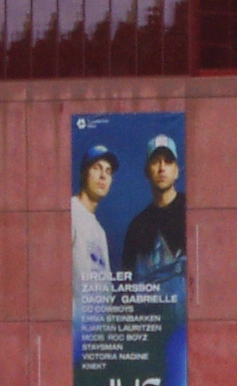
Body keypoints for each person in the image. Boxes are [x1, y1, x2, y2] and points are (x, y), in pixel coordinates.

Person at [72, 143, 121, 352]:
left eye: (108, 171)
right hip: (74, 341)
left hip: (97, 346)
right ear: (84, 173)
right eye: (97, 168)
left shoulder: (99, 232)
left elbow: (106, 290)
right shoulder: (69, 213)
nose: (103, 176)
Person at [121, 133, 189, 278]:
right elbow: (127, 286)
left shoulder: (191, 211)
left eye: (168, 161)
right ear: (147, 171)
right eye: (156, 161)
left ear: (177, 171)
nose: (162, 168)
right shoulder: (138, 227)